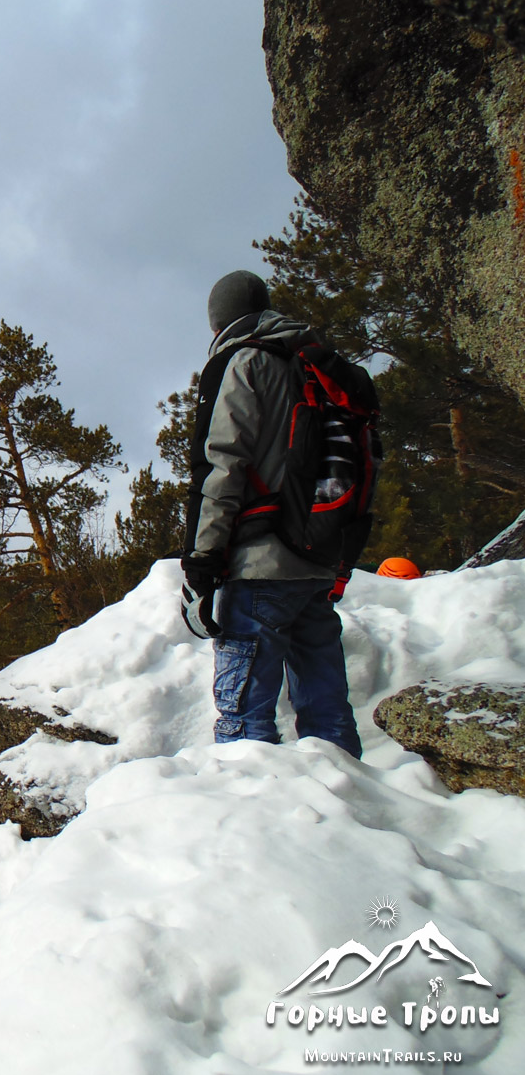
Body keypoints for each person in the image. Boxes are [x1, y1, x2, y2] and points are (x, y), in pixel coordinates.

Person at [180, 270, 363, 758]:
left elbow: (220, 465)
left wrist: (201, 559)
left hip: (259, 566)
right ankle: (352, 813)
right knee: (329, 712)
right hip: (318, 558)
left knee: (244, 721)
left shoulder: (242, 362)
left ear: (219, 320)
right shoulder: (317, 364)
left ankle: (251, 826)